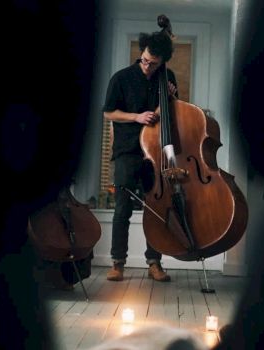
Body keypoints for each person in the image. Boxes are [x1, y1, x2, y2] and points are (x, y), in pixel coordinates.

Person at [102, 28, 178, 282]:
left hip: (155, 152)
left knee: (155, 208)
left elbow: (167, 115)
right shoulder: (121, 78)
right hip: (127, 150)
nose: (147, 66)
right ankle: (118, 263)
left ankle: (154, 262)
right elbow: (108, 113)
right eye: (145, 60)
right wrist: (136, 116)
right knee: (122, 207)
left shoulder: (168, 77)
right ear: (141, 53)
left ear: (162, 62)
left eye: (153, 63)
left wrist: (167, 98)